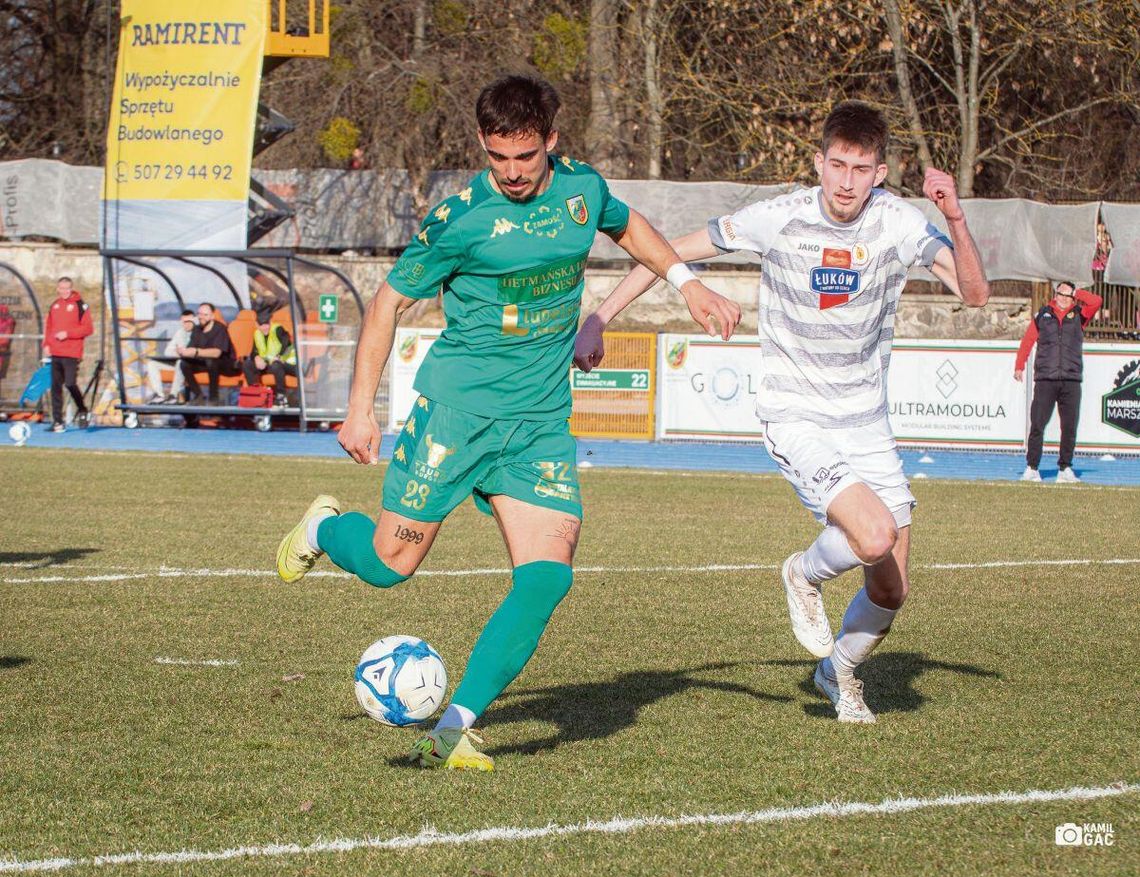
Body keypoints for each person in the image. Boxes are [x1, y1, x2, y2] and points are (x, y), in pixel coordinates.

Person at [276, 74, 740, 771]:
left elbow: (628, 224)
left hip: (538, 424)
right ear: (483, 147)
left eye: (526, 157)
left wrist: (687, 281)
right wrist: (359, 407)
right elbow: (386, 306)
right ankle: (322, 527)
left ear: (551, 141)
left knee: (548, 577)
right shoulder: (458, 220)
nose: (515, 173)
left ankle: (453, 726)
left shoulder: (580, 191)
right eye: (499, 158)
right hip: (455, 418)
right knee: (387, 566)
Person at [577, 101, 990, 724]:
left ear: (880, 173)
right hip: (795, 414)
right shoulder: (780, 218)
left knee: (890, 586)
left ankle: (838, 672)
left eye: (862, 168)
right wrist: (601, 316)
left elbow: (976, 294)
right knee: (872, 535)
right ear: (819, 162)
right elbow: (663, 252)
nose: (847, 181)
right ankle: (802, 572)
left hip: (867, 422)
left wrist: (954, 218)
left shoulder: (899, 224)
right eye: (837, 165)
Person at [1015, 281, 1102, 483]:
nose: (1062, 297)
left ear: (1073, 297)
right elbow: (1028, 340)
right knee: (1037, 423)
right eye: (1059, 293)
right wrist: (1019, 365)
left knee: (1069, 426)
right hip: (1046, 379)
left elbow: (1097, 301)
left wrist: (1077, 292)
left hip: (1071, 379)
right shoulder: (1043, 315)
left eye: (1067, 294)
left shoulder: (1080, 315)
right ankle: (1032, 467)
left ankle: (1065, 468)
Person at [42, 277, 94, 431]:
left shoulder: (81, 305)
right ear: (57, 289)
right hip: (56, 352)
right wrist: (46, 344)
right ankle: (58, 421)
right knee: (55, 386)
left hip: (72, 352)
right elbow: (49, 328)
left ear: (71, 288)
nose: (64, 291)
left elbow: (88, 329)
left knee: (70, 383)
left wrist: (68, 333)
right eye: (61, 288)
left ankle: (83, 410)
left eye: (67, 288)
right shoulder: (55, 305)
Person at [177, 302, 240, 404]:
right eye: (199, 314)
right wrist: (184, 352)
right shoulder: (197, 329)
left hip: (226, 364)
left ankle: (213, 398)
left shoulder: (220, 328)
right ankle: (198, 395)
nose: (201, 317)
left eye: (205, 315)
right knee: (184, 364)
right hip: (205, 363)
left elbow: (217, 353)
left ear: (212, 316)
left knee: (212, 361)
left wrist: (196, 352)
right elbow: (191, 348)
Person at [241, 309, 297, 405]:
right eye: (261, 325)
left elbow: (287, 345)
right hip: (269, 364)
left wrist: (279, 357)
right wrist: (257, 358)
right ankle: (256, 392)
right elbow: (254, 352)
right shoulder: (257, 333)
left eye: (266, 324)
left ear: (270, 322)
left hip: (288, 364)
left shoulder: (278, 329)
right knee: (247, 364)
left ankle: (281, 396)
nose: (264, 327)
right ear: (257, 325)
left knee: (276, 365)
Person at [145, 309, 195, 403]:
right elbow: (168, 351)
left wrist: (184, 352)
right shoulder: (180, 332)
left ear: (194, 320)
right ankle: (159, 394)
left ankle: (173, 395)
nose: (187, 324)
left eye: (189, 321)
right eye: (184, 322)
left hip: (192, 364)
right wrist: (179, 352)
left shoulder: (198, 332)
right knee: (152, 364)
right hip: (179, 361)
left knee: (181, 363)